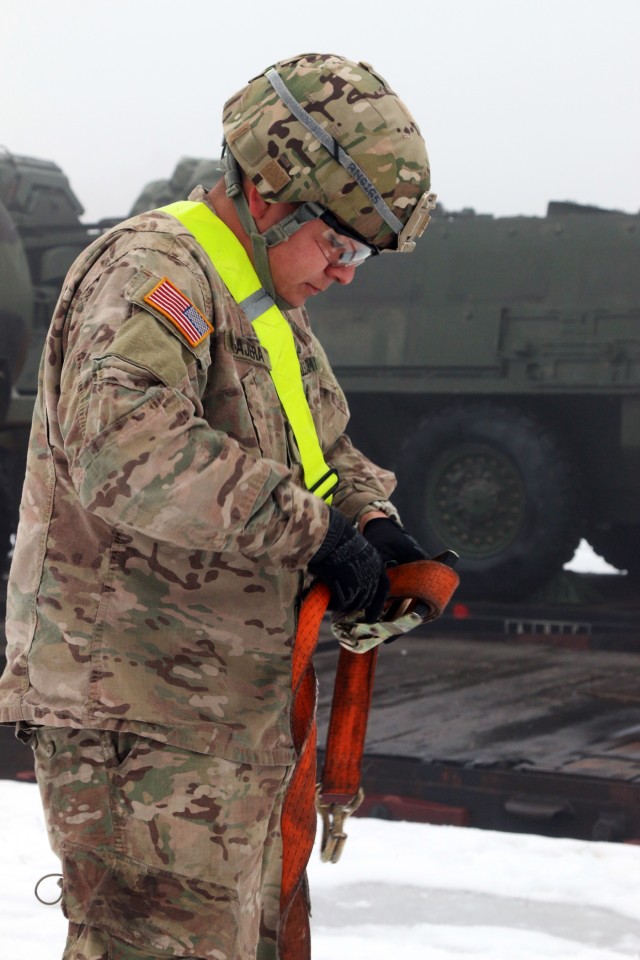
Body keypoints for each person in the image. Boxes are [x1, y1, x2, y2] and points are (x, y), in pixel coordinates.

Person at [0, 53, 434, 960]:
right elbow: (125, 446)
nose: (347, 272)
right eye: (341, 245)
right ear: (273, 194)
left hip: (223, 713)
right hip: (144, 716)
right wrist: (315, 535)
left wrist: (375, 528)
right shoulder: (155, 273)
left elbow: (318, 449)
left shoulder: (259, 299)